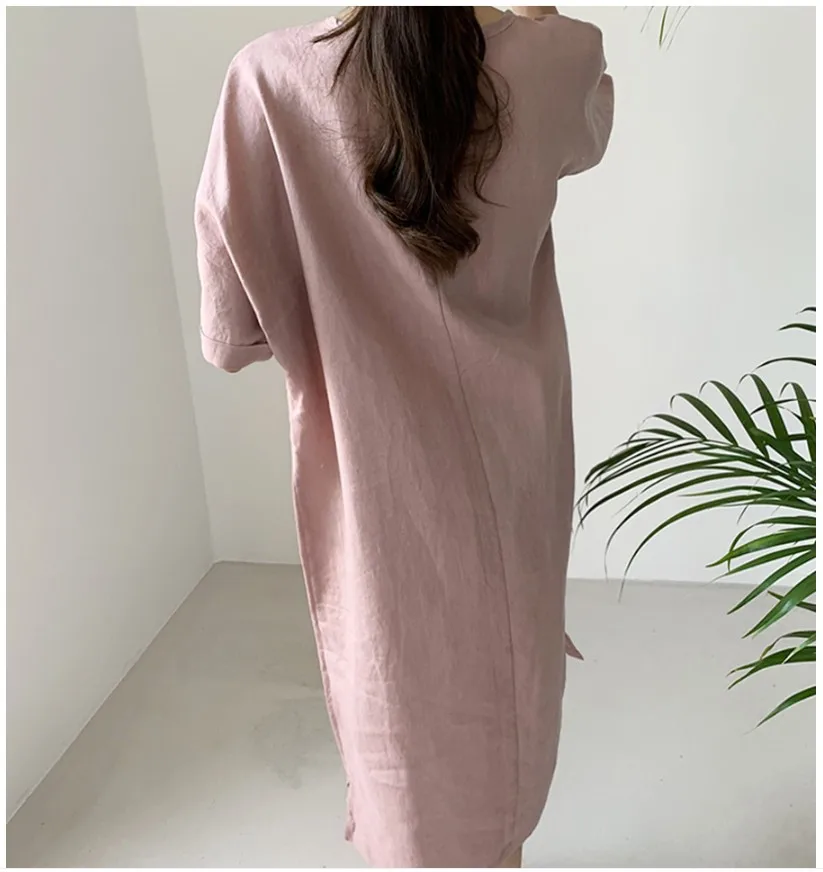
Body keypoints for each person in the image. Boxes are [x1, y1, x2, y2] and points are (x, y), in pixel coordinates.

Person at [195, 6, 613, 867]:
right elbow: (587, 134)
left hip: (377, 486)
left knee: (398, 695)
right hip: (514, 463)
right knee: (510, 676)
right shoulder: (562, 53)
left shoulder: (270, 80)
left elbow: (230, 335)